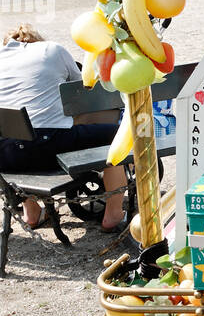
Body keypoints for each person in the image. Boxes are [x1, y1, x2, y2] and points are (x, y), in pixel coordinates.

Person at [0, 24, 126, 231]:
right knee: (117, 138)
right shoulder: (52, 50)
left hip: (5, 155)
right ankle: (113, 215)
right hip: (47, 146)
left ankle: (32, 214)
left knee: (19, 137)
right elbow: (82, 90)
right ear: (37, 40)